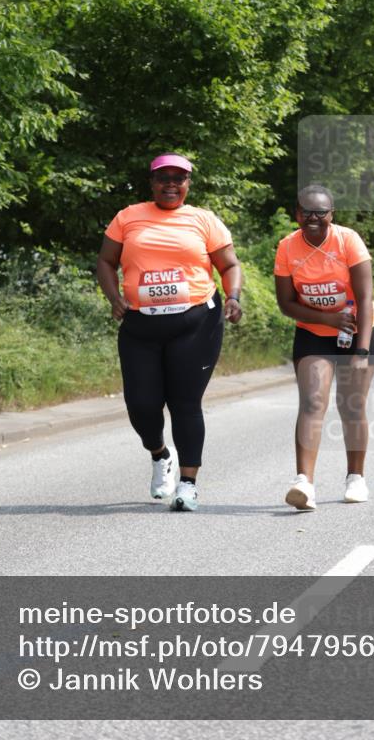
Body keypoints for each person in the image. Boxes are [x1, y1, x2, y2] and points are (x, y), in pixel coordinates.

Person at [96, 153, 243, 512]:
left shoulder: (203, 220)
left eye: (179, 179)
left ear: (188, 184)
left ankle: (189, 485)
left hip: (196, 322)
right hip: (140, 324)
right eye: (164, 178)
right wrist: (114, 297)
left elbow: (229, 264)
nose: (171, 185)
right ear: (152, 182)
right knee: (142, 405)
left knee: (185, 404)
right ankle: (160, 454)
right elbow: (105, 262)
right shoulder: (128, 217)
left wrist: (234, 296)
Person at [274, 184, 374, 510]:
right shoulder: (287, 248)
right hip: (313, 332)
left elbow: (363, 300)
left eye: (321, 212)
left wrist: (361, 352)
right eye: (306, 211)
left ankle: (356, 478)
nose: (313, 217)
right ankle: (303, 483)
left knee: (350, 404)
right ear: (297, 214)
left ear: (332, 214)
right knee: (312, 402)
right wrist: (329, 319)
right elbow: (286, 304)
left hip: (359, 328)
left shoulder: (348, 241)